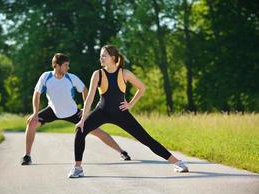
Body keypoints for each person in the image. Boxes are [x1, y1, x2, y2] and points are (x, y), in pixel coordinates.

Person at [68, 45, 189, 178]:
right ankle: (78, 168)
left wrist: (130, 104)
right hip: (102, 112)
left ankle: (177, 163)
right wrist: (83, 120)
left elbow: (142, 88)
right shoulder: (98, 74)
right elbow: (90, 97)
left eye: (104, 56)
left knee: (146, 139)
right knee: (80, 131)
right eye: (101, 56)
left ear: (112, 58)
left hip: (121, 113)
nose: (100, 58)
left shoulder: (125, 73)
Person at [21, 53, 131, 165]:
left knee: (97, 131)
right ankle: (27, 156)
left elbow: (84, 90)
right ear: (57, 66)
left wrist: (84, 108)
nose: (68, 68)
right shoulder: (46, 77)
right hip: (52, 110)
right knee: (31, 123)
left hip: (73, 112)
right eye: (66, 65)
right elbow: (36, 94)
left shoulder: (71, 78)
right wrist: (35, 113)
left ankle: (122, 152)